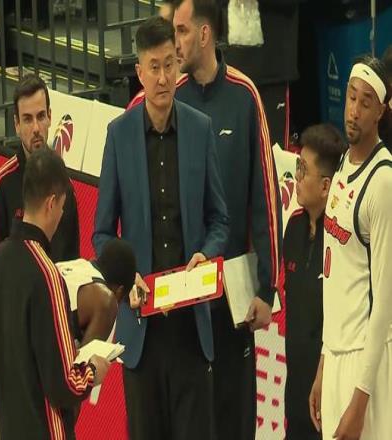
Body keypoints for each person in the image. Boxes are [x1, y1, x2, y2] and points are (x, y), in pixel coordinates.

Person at [128, 1, 281, 438]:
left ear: (205, 34)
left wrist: (267, 289)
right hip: (177, 309)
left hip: (230, 301)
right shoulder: (162, 98)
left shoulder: (245, 96)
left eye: (180, 31)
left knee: (233, 423)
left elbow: (265, 198)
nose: (173, 42)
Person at [94, 16, 229, 440]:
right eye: (154, 67)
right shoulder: (118, 135)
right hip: (142, 329)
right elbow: (102, 234)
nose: (163, 77)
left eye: (169, 64)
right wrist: (125, 278)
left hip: (191, 328)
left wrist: (207, 254)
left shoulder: (200, 129)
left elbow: (219, 219)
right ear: (139, 72)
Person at [0, 148, 111, 440]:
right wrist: (92, 370)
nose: (62, 214)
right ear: (51, 203)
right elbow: (65, 385)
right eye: (62, 206)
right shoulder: (48, 275)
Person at [0, 237, 136, 440]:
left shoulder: (70, 266)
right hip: (6, 385)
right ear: (120, 291)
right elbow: (75, 384)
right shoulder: (106, 300)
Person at [309, 56, 392, 440]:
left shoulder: (383, 182)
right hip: (337, 357)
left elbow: (385, 306)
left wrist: (360, 401)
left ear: (381, 112)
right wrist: (324, 362)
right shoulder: (342, 164)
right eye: (351, 97)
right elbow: (335, 279)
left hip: (367, 366)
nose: (354, 111)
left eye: (365, 102)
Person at [282, 124, 346, 440]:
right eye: (297, 165)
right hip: (294, 389)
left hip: (329, 392)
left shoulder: (342, 241)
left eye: (303, 169)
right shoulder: (293, 228)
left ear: (325, 186)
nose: (296, 176)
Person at [0, 73, 80, 263]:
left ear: (50, 117)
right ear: (16, 125)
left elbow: (72, 264)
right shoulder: (0, 185)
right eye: (27, 119)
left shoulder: (65, 186)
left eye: (41, 116)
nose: (36, 128)